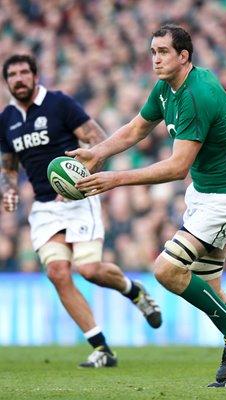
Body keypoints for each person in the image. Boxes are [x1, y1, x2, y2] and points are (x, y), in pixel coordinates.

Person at [66, 24, 226, 387]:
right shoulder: (166, 87)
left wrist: (114, 178)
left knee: (167, 269)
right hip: (206, 191)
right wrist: (97, 153)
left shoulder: (195, 95)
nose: (155, 58)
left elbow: (177, 168)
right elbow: (135, 129)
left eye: (162, 52)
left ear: (183, 56)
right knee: (211, 288)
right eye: (153, 51)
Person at [0, 54, 162, 368]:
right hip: (44, 208)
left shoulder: (59, 103)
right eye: (12, 75)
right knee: (57, 272)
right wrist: (8, 192)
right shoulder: (5, 120)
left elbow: (98, 140)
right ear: (7, 82)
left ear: (35, 76)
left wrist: (78, 182)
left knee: (89, 271)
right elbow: (8, 166)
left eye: (24, 72)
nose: (19, 79)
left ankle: (134, 291)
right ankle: (102, 349)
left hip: (78, 199)